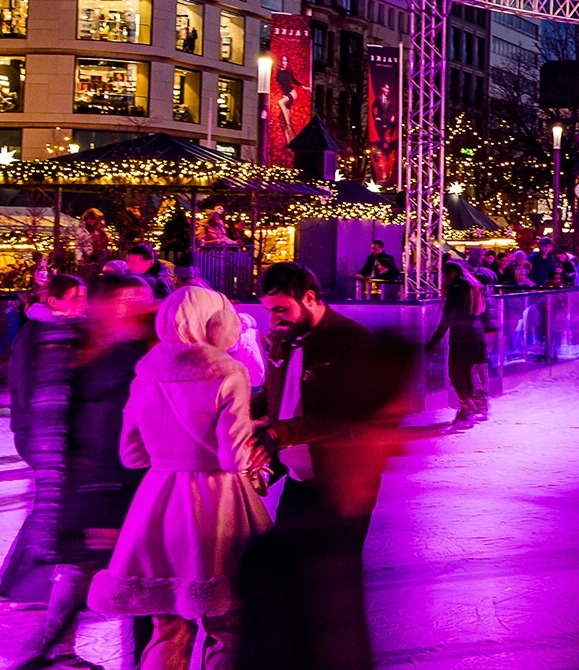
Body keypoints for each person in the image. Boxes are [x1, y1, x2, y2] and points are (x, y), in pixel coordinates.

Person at [88, 285, 270, 670]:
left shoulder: (145, 375)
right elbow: (234, 457)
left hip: (159, 501)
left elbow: (132, 455)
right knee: (228, 623)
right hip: (217, 502)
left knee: (166, 625)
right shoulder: (228, 373)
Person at [241, 261, 387, 670]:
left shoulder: (351, 342)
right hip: (300, 481)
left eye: (280, 309)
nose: (272, 319)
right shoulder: (284, 339)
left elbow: (346, 415)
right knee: (289, 579)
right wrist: (248, 416)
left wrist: (277, 436)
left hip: (341, 483)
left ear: (310, 299)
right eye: (267, 310)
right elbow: (277, 401)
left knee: (331, 589)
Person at [17, 272, 152, 670]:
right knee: (113, 577)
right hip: (103, 489)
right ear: (104, 306)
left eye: (140, 301)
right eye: (127, 301)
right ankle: (52, 651)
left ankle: (52, 649)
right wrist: (100, 494)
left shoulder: (125, 351)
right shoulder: (97, 355)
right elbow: (96, 430)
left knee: (100, 576)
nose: (137, 309)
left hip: (109, 487)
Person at [0, 275, 87, 604]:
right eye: (75, 296)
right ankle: (21, 581)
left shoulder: (51, 331)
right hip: (38, 432)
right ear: (55, 301)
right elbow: (34, 388)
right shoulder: (42, 334)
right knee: (51, 506)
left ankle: (20, 579)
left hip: (39, 430)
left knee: (51, 504)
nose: (82, 302)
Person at [426, 261, 492, 426]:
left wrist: (433, 342)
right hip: (477, 336)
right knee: (468, 373)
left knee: (456, 373)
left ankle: (467, 408)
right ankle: (473, 408)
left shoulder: (456, 289)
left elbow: (447, 318)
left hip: (462, 338)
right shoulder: (474, 287)